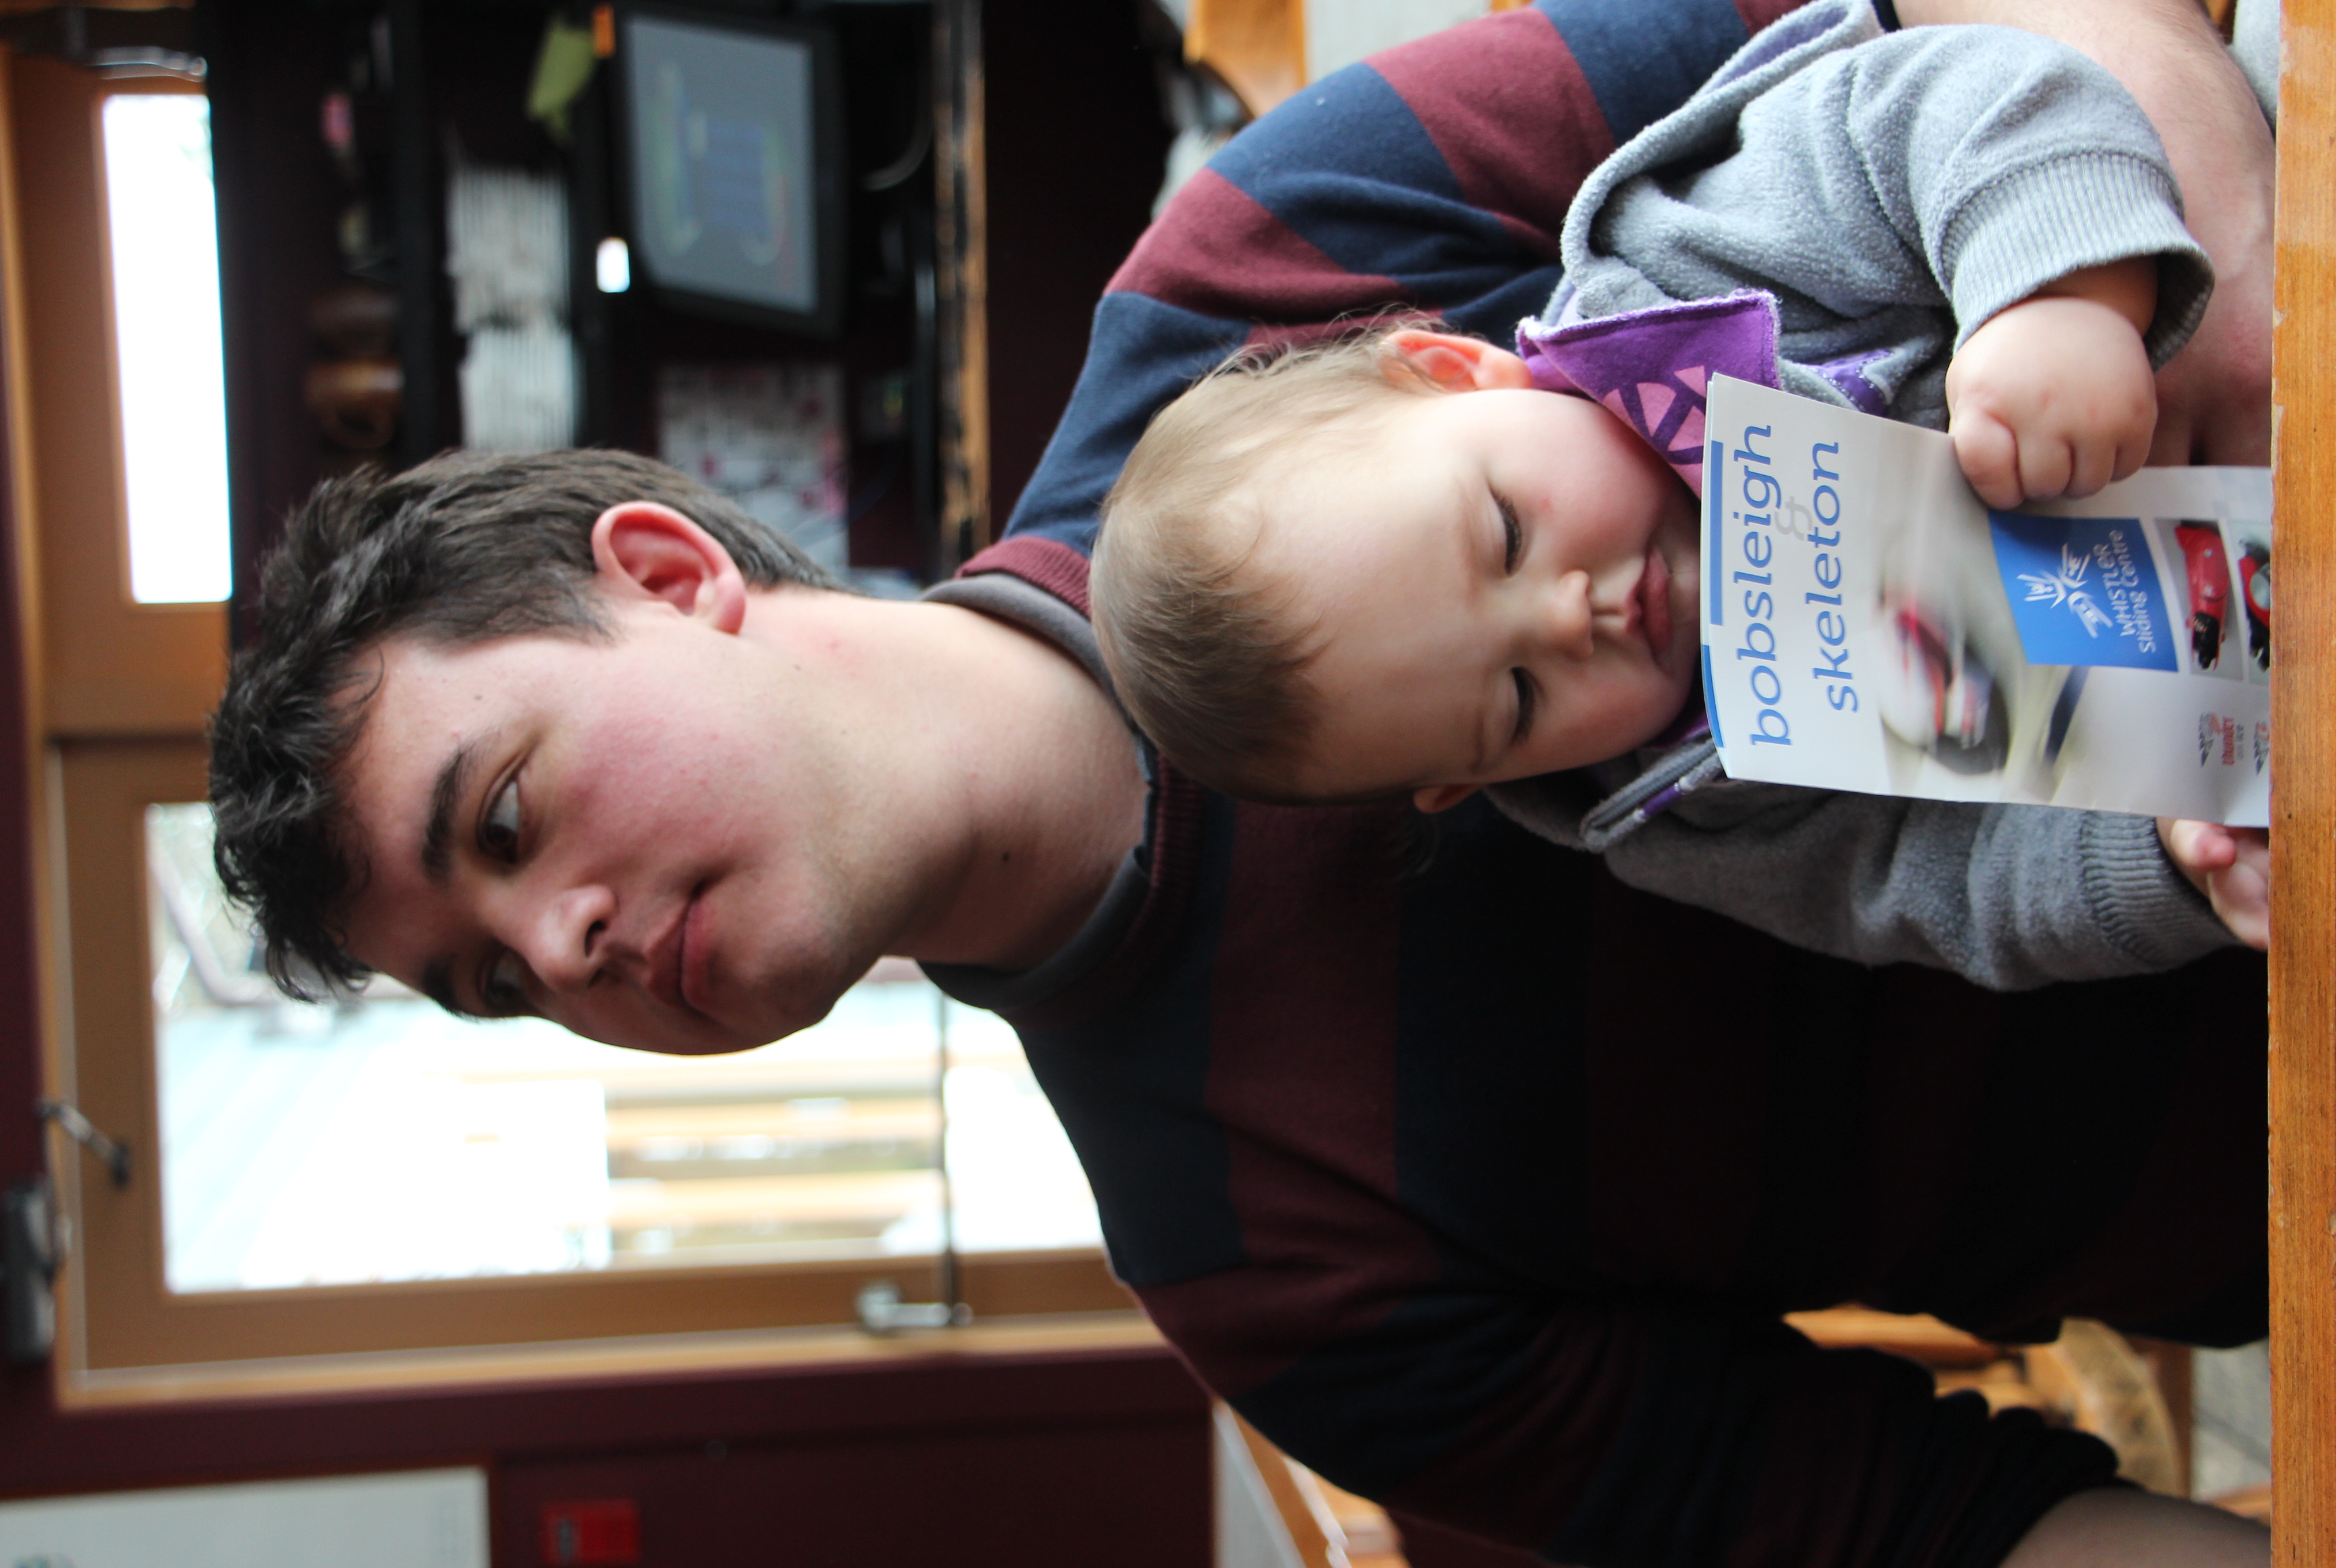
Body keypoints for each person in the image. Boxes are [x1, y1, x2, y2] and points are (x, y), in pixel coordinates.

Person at [206, 1, 2275, 1564]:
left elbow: (1922, 42)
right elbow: (1920, 1531)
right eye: (494, 978)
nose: (562, 945)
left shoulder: (1272, 259)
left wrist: (2228, 322)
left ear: (672, 577)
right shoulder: (1256, 1275)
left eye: (504, 821)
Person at [1088, 2, 2267, 992]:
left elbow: (1949, 98)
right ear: (1476, 779)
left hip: (2245, 260)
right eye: (1517, 697)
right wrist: (2169, 856)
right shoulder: (1706, 810)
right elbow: (1952, 886)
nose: (1573, 618)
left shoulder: (1696, 268)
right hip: (2262, 668)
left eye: (1507, 535)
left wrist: (2052, 290)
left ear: (1455, 372)